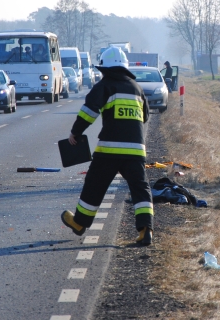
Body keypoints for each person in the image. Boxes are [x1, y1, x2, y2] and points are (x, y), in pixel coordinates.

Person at [61, 47, 154, 245]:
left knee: (94, 185)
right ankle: (145, 230)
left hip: (109, 151)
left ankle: (79, 223)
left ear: (105, 68)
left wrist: (75, 133)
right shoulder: (137, 88)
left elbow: (89, 112)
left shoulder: (105, 86)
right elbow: (145, 117)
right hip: (136, 151)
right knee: (140, 188)